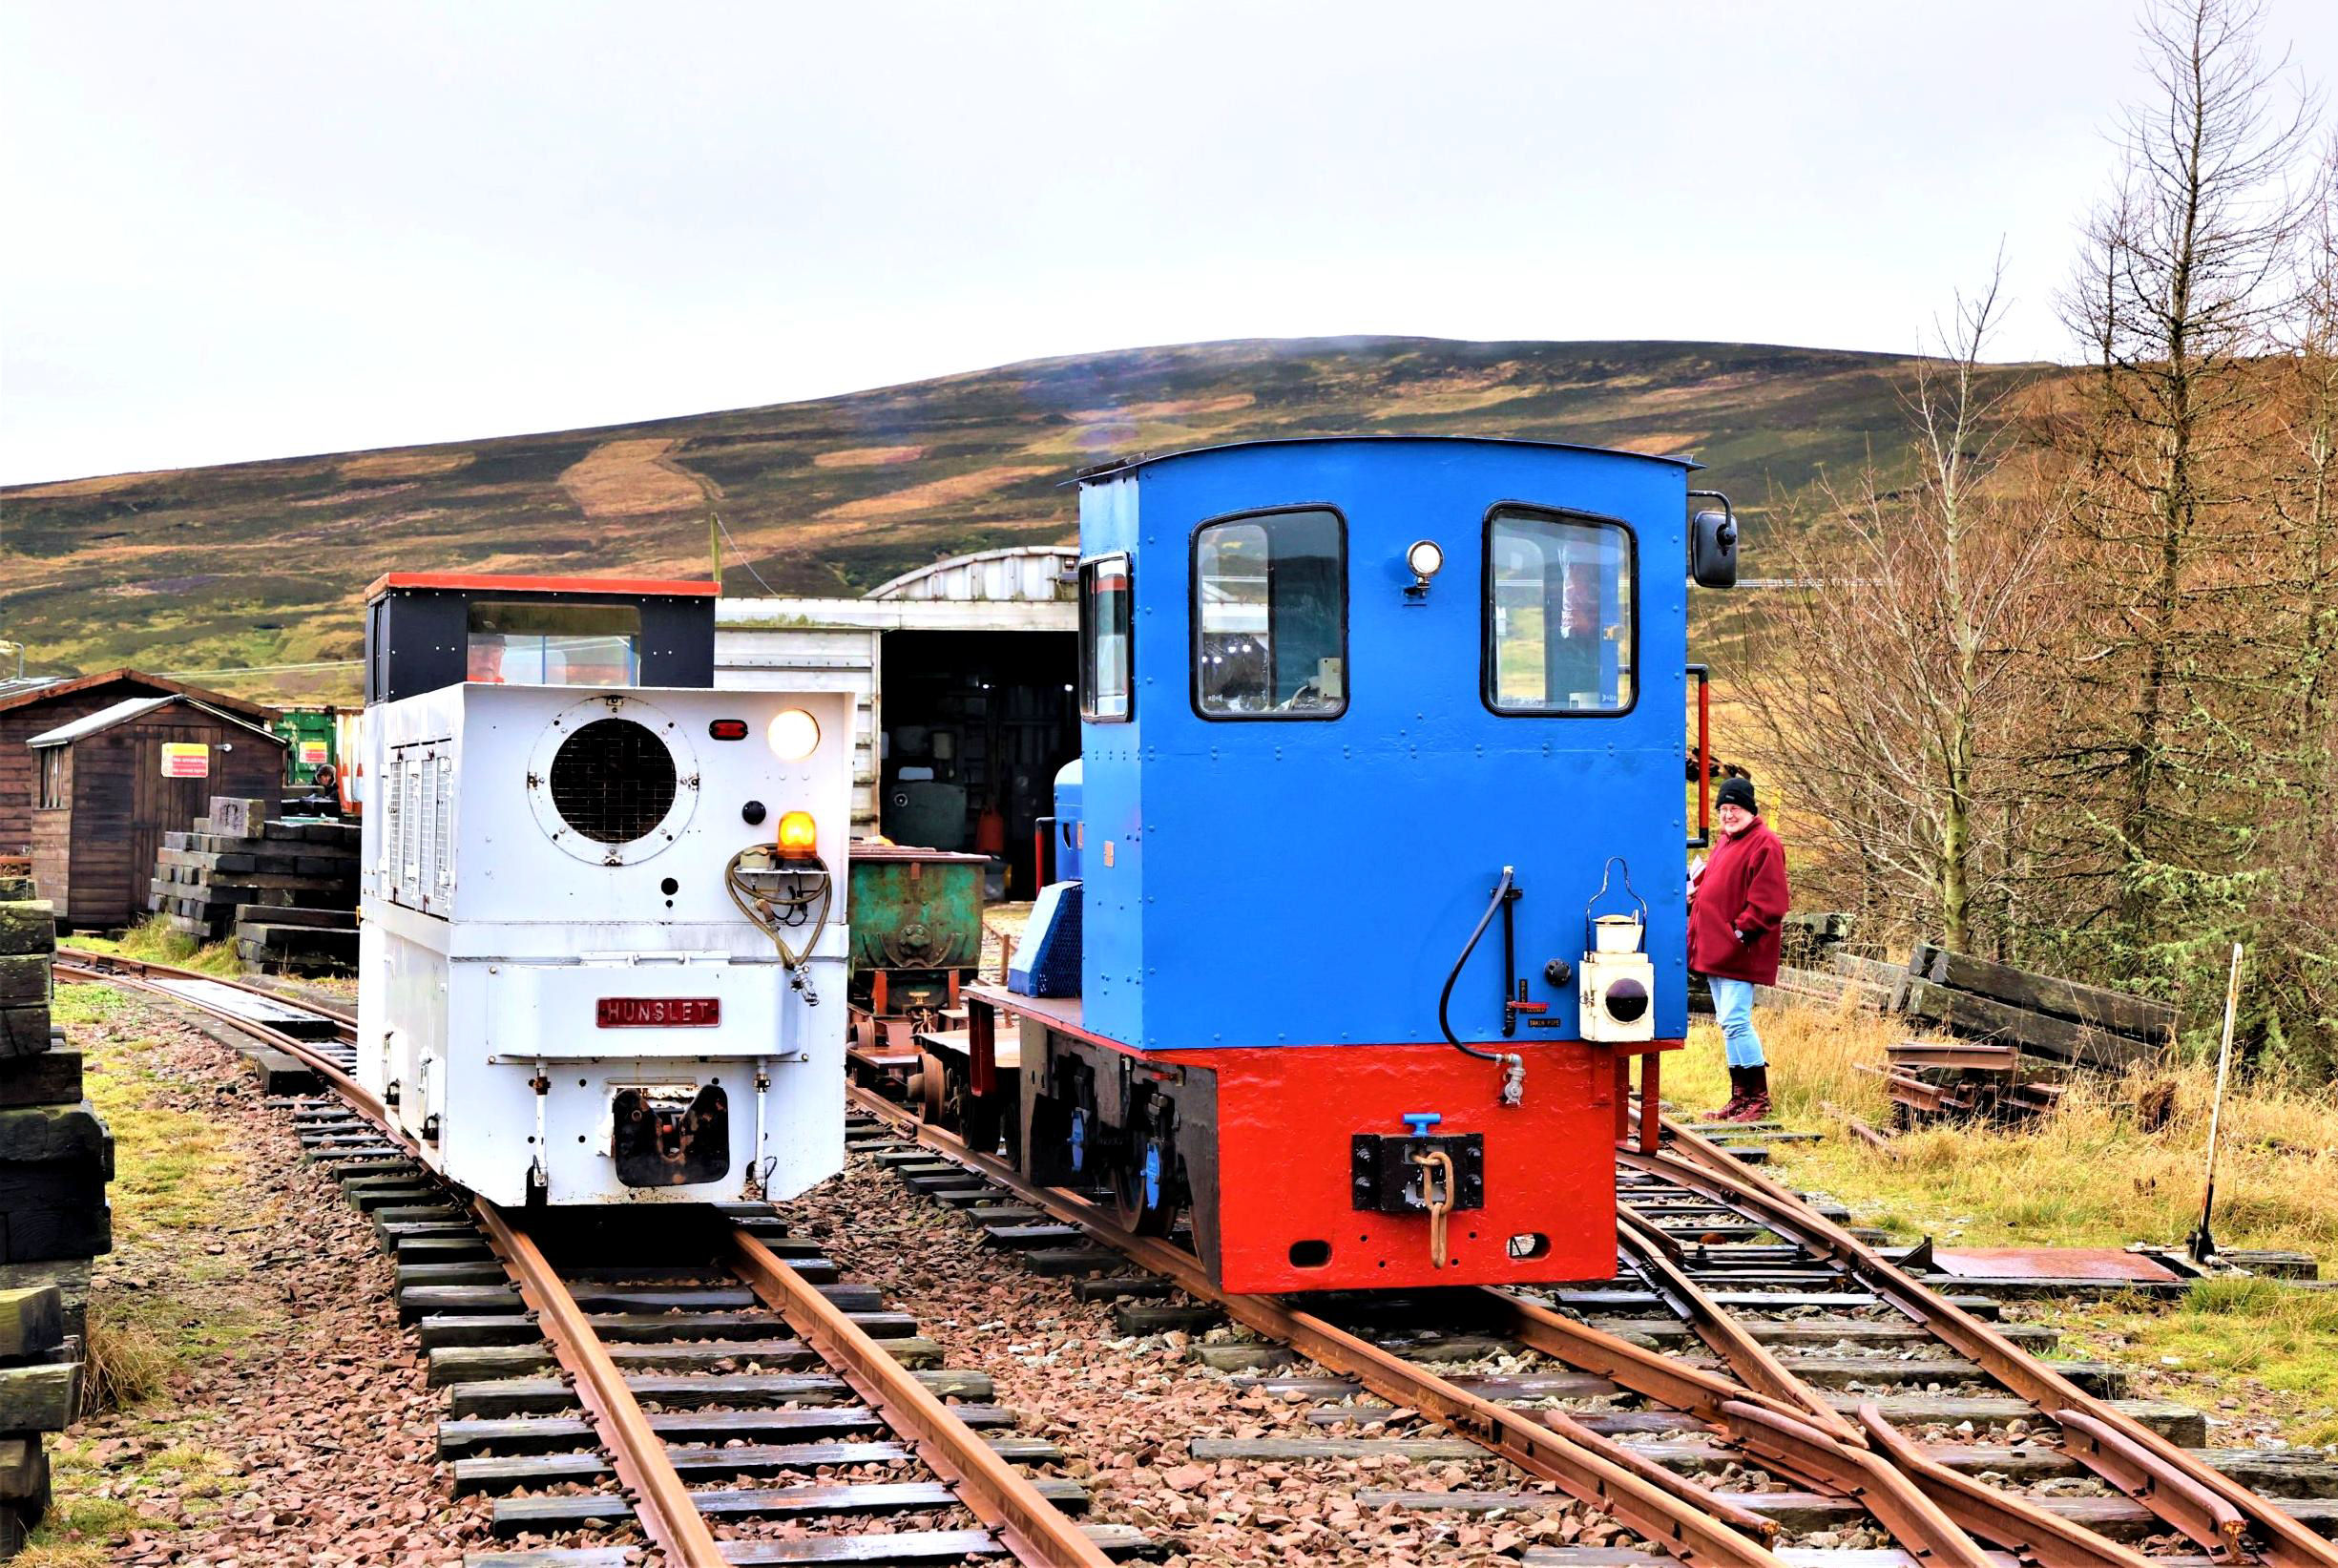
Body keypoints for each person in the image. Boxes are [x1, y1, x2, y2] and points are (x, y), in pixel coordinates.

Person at [1686, 775, 1790, 1122]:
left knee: (1735, 1021)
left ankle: (1759, 1100)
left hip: (1737, 951)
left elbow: (1771, 902)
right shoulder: (1726, 842)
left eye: (1734, 808)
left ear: (1749, 809)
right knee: (1727, 1023)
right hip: (1716, 949)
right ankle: (1740, 1098)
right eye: (1723, 809)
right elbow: (1719, 885)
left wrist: (1739, 932)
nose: (1728, 815)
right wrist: (1697, 894)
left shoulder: (1765, 843)